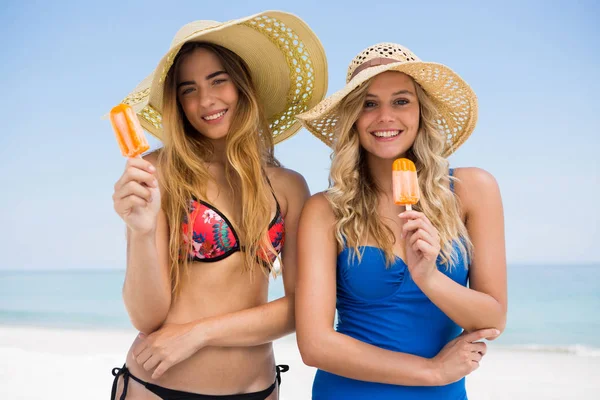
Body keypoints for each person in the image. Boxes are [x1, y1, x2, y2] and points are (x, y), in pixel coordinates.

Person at [109, 11, 327, 400]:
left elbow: (301, 310)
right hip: (157, 388)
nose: (206, 100)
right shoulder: (157, 173)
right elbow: (146, 317)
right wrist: (141, 232)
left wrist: (199, 333)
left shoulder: (289, 186)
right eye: (188, 89)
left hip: (258, 390)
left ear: (243, 86)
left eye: (218, 81)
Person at [295, 42, 507, 399]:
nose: (385, 117)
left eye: (401, 101)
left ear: (422, 111)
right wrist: (432, 371)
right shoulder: (325, 210)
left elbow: (492, 319)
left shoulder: (473, 190)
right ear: (353, 119)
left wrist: (429, 277)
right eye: (369, 104)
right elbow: (315, 345)